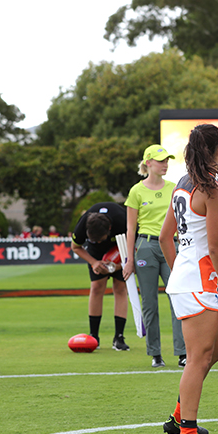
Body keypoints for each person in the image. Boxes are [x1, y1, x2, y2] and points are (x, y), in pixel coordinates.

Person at [160, 124, 218, 434]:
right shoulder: (214, 188)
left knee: (213, 353)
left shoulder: (183, 183)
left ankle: (180, 416)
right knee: (198, 358)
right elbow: (217, 247)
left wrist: (180, 272)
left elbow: (166, 237)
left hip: (189, 279)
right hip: (197, 282)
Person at [124, 144, 185, 368]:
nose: (165, 164)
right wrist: (130, 259)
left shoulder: (175, 187)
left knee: (177, 299)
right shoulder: (136, 191)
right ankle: (155, 353)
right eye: (160, 160)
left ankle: (182, 352)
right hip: (146, 247)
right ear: (148, 162)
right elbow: (131, 228)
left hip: (171, 245)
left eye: (167, 160)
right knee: (149, 303)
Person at [71, 202, 129, 351]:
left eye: (99, 239)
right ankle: (94, 336)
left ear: (109, 230)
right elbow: (75, 247)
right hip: (95, 254)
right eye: (93, 240)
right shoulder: (84, 223)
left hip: (121, 249)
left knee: (120, 288)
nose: (97, 241)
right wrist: (94, 262)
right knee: (96, 287)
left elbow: (135, 245)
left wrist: (119, 266)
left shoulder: (122, 220)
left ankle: (119, 337)